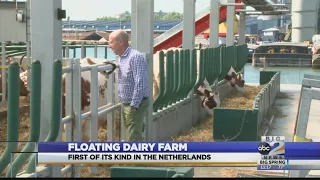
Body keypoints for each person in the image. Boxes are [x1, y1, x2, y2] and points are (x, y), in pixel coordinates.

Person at [108, 29, 150, 142]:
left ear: (120, 41)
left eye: (111, 42)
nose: (109, 46)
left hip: (135, 103)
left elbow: (140, 82)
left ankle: (134, 158)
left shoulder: (135, 57)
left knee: (133, 137)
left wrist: (134, 105)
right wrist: (114, 65)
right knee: (133, 133)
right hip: (127, 102)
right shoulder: (122, 58)